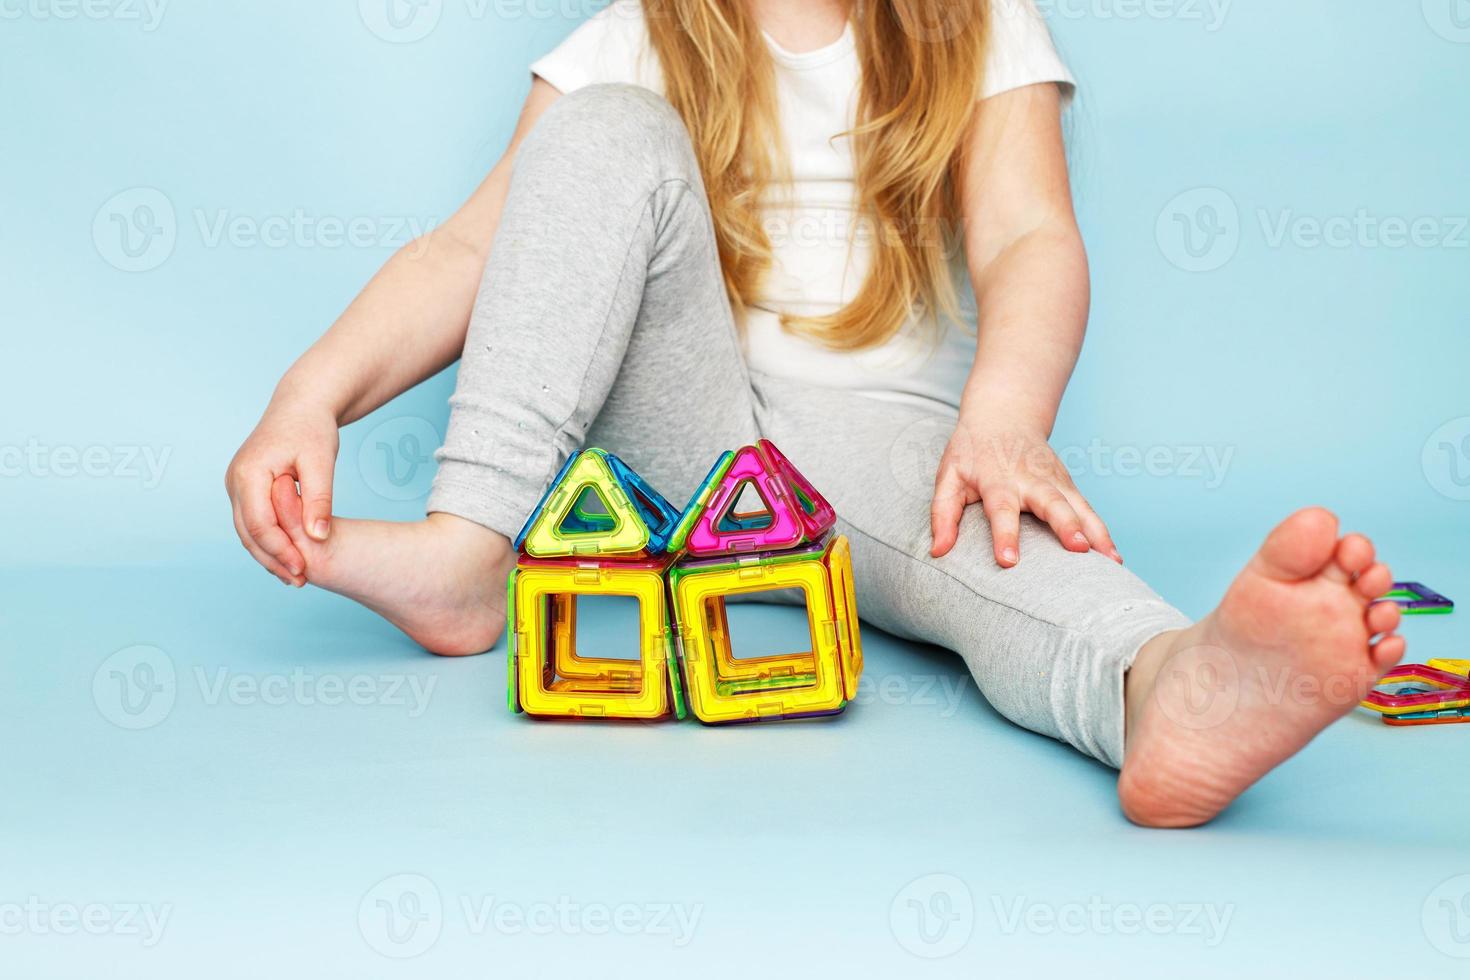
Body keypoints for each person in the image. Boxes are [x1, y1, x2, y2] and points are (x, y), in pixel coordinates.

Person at [225, 0, 1405, 827]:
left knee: (986, 541)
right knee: (597, 130)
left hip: (882, 438)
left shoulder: (982, 24)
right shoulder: (630, 35)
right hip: (687, 438)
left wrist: (1005, 412)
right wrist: (309, 392)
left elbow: (1030, 234)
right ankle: (466, 549)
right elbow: (470, 251)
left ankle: (1162, 686)